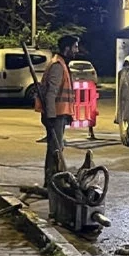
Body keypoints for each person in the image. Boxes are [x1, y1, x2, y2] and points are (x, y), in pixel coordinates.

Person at [36, 35, 79, 188]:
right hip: (55, 116)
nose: (77, 50)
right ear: (66, 48)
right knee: (55, 149)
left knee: (56, 147)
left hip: (59, 114)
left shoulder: (60, 64)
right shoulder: (57, 66)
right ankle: (53, 181)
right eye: (74, 47)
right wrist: (51, 116)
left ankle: (53, 180)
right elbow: (51, 94)